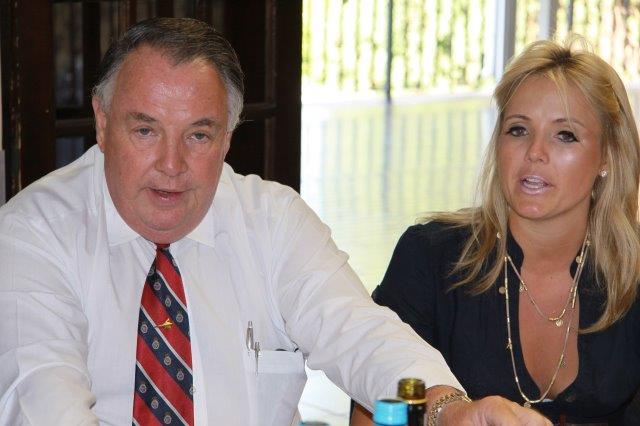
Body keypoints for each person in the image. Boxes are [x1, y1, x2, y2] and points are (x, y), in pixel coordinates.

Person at [0, 18, 549, 426]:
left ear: (228, 137)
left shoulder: (272, 219)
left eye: (198, 135)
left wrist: (447, 409)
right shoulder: (32, 234)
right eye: (145, 131)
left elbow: (360, 332)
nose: (171, 164)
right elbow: (43, 399)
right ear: (101, 122)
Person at [362, 38, 640, 424]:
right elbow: (373, 409)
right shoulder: (429, 257)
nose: (535, 152)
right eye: (518, 130)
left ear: (607, 155)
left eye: (565, 135)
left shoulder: (632, 271)